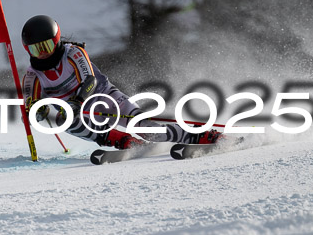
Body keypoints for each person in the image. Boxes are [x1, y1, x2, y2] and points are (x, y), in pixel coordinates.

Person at [21, 14, 224, 149]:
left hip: (103, 97)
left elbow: (90, 80)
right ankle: (123, 141)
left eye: (46, 45)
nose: (43, 53)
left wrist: (77, 101)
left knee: (146, 128)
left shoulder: (73, 53)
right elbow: (30, 110)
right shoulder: (32, 77)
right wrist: (36, 112)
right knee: (62, 121)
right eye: (35, 49)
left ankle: (202, 136)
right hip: (79, 115)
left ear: (56, 39)